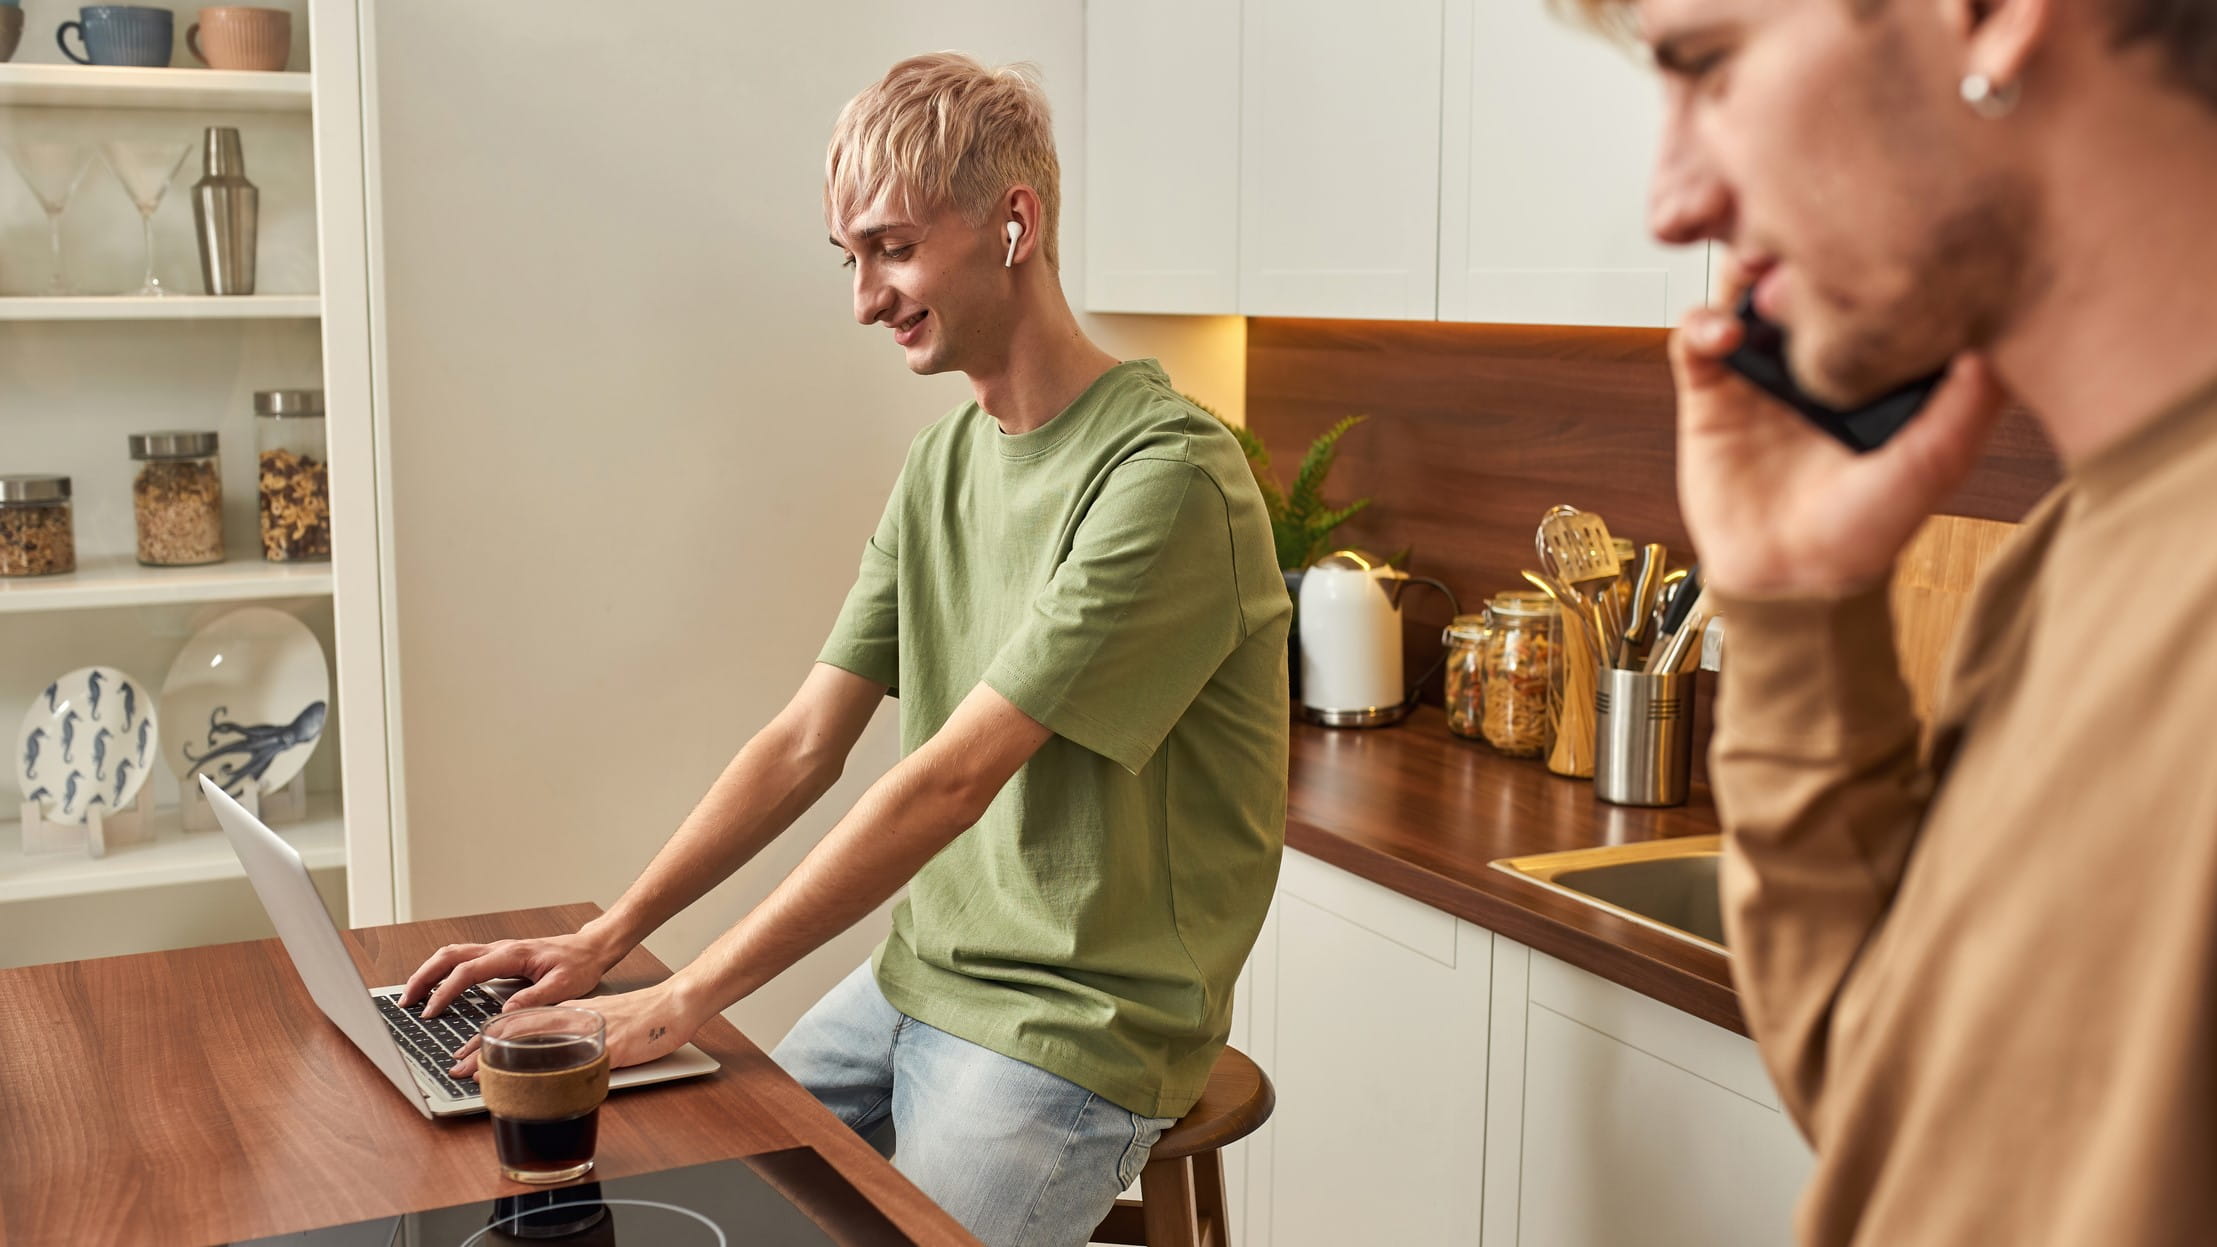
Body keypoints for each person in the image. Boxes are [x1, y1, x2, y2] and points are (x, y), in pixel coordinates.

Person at [398, 52, 1290, 1247]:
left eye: (893, 248)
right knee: (677, 1192)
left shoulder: (1168, 478)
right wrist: (609, 943)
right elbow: (804, 739)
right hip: (916, 977)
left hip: (1082, 1020)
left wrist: (689, 996)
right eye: (852, 259)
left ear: (1015, 224)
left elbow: (952, 779)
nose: (865, 297)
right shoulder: (942, 466)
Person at [1567, 0, 2217, 1241]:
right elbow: (1902, 1117)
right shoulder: (2067, 559)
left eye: (1710, 65)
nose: (1674, 201)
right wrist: (1794, 605)